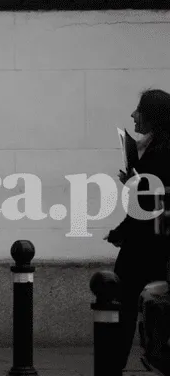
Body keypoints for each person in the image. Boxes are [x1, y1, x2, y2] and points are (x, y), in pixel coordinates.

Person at [104, 88, 170, 372]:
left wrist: (122, 232)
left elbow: (148, 206)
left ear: (152, 116)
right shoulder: (156, 150)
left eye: (138, 110)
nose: (133, 114)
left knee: (120, 305)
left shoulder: (157, 153)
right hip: (157, 242)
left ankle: (112, 367)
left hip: (146, 245)